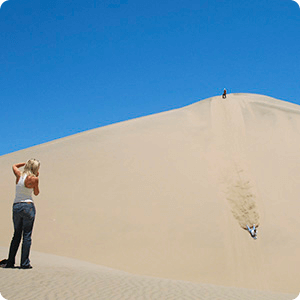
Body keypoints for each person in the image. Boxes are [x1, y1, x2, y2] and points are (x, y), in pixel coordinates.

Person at [4, 159, 40, 269]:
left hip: (17, 206)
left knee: (16, 235)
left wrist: (25, 164)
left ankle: (10, 262)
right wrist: (35, 177)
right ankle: (24, 263)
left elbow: (14, 165)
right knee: (27, 235)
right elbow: (36, 193)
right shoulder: (34, 179)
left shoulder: (19, 175)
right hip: (28, 206)